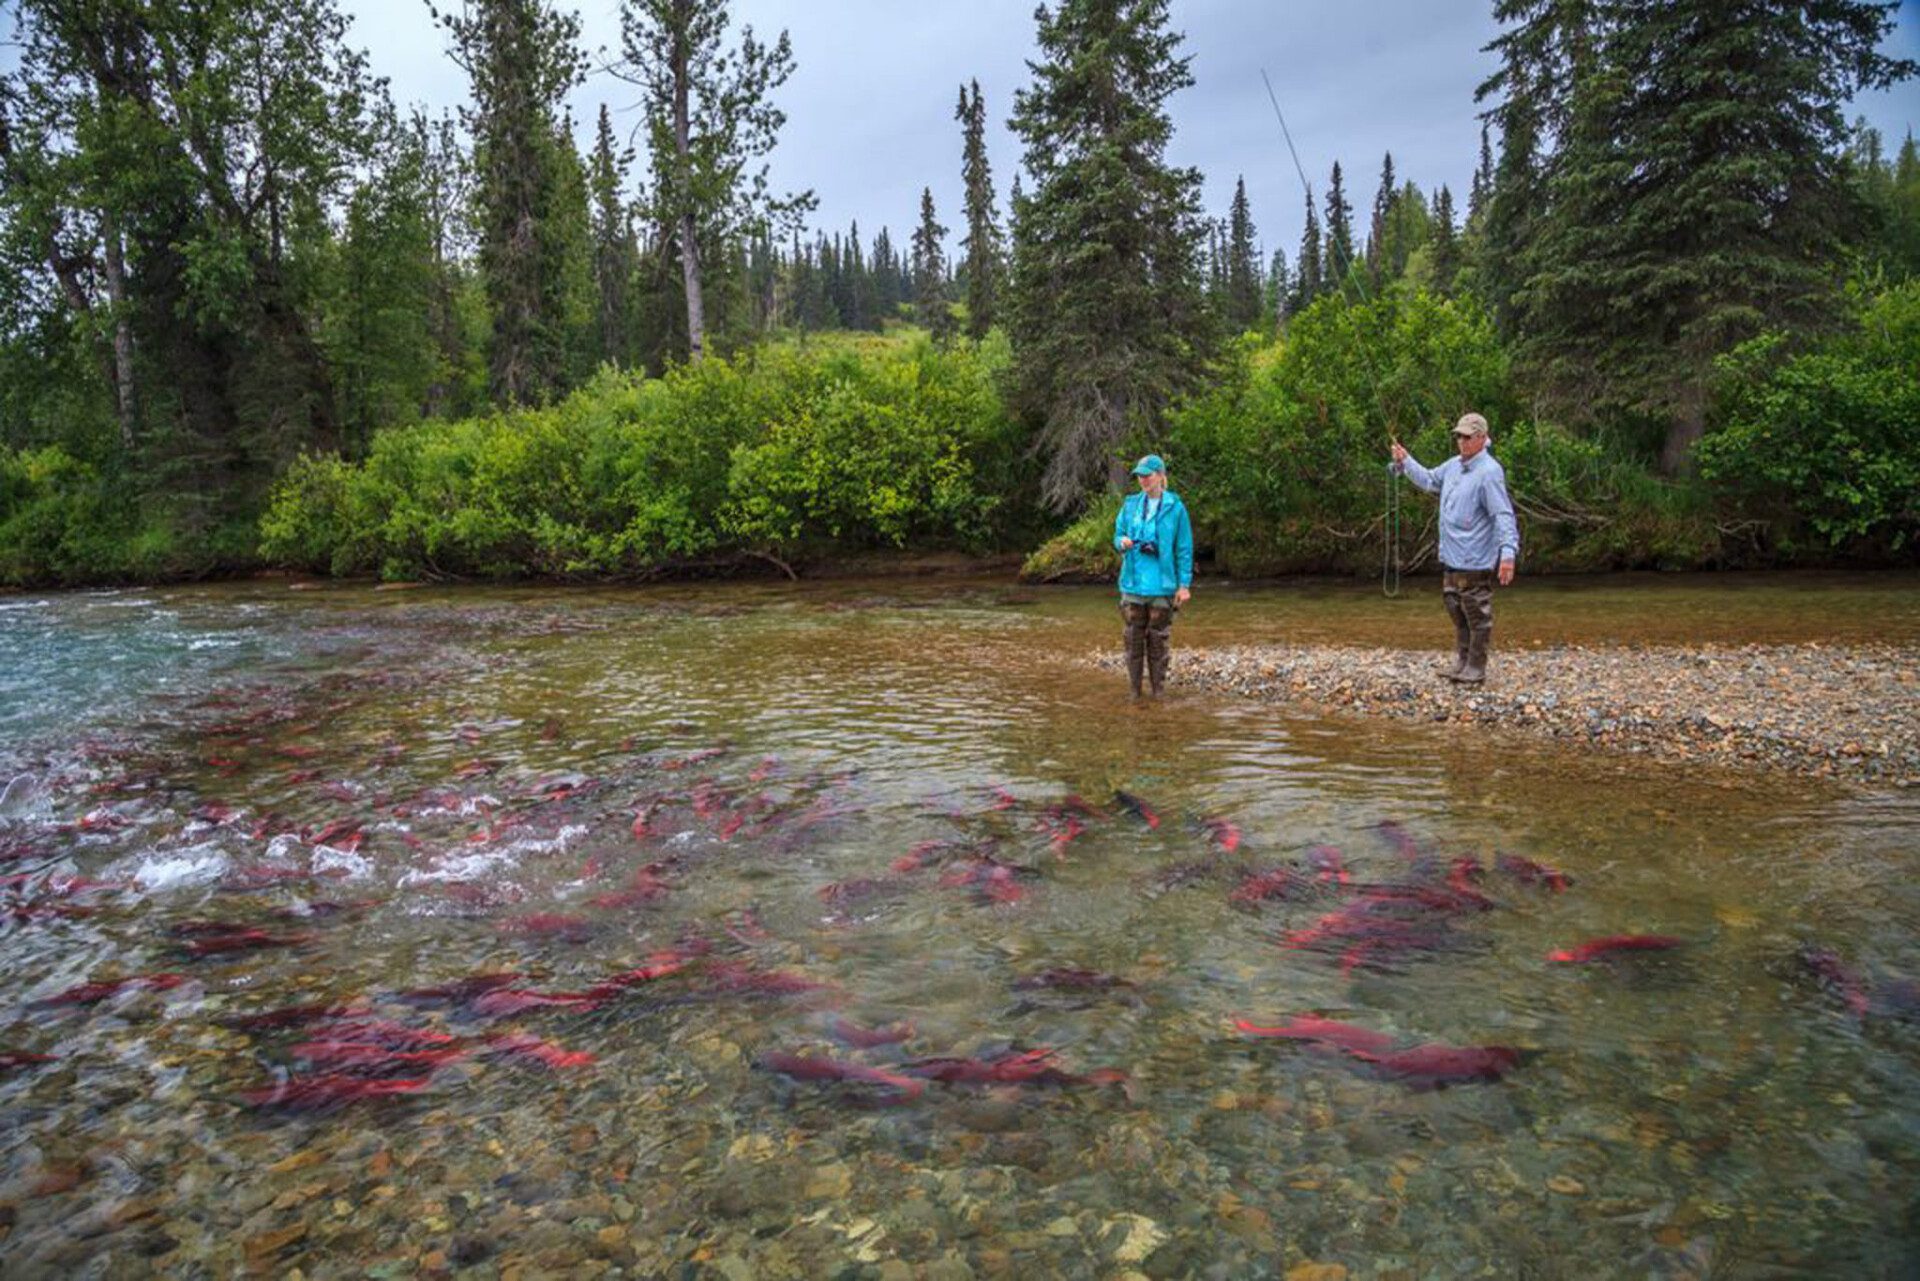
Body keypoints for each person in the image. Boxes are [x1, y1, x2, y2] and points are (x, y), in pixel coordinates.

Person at [1390, 413, 1519, 684]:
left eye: (1467, 437)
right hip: (1451, 555)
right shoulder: (1452, 466)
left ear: (1482, 438)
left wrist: (1508, 552)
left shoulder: (1490, 471)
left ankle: (1476, 666)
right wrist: (1406, 461)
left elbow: (1502, 515)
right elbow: (1427, 480)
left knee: (1476, 611)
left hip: (1475, 558)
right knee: (1454, 606)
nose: (1461, 441)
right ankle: (1462, 661)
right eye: (1459, 436)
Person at [1113, 454, 1193, 697]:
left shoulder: (1176, 508)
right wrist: (1122, 542)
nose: (1143, 480)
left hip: (1162, 586)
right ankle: (1135, 692)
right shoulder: (1130, 505)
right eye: (1139, 476)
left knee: (1158, 642)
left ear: (1160, 476)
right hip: (1133, 584)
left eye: (1147, 475)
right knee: (1133, 640)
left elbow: (1184, 548)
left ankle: (1158, 692)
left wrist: (1184, 585)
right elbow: (1117, 535)